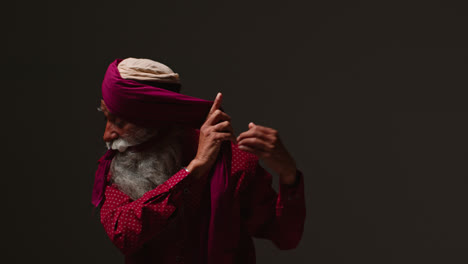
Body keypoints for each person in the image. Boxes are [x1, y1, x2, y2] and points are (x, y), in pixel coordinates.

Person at [92, 57, 306, 264]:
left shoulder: (233, 161)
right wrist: (193, 170)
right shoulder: (118, 167)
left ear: (155, 118)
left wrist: (288, 174)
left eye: (119, 122)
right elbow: (124, 234)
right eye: (106, 118)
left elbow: (284, 236)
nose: (107, 135)